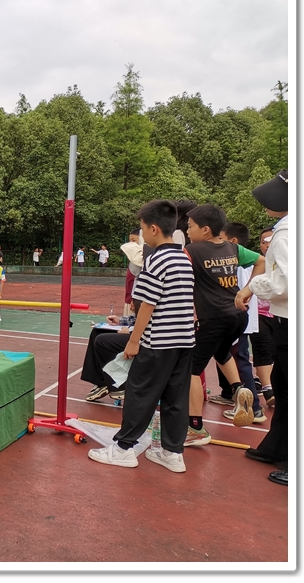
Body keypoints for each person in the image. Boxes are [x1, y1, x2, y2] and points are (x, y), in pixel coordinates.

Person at [87, 200, 195, 472]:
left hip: (157, 341)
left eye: (143, 230)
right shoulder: (183, 257)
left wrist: (134, 341)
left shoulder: (156, 259)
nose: (143, 235)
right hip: (184, 340)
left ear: (154, 229)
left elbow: (148, 304)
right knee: (175, 398)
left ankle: (124, 448)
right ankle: (172, 453)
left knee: (140, 393)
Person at [181, 204, 264, 446]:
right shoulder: (232, 247)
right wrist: (248, 290)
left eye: (190, 227)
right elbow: (261, 261)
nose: (187, 231)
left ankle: (195, 427)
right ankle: (239, 390)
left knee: (191, 369)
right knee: (221, 351)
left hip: (213, 318)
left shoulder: (191, 251)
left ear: (205, 230)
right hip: (238, 316)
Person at [235, 169, 288, 486]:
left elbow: (286, 282)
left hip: (291, 319)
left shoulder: (286, 233)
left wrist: (252, 287)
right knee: (283, 385)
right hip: (285, 319)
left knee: (292, 389)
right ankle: (276, 447)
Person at [209, 222, 267, 424]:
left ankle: (254, 409)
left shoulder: (238, 263)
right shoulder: (246, 263)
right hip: (240, 318)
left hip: (236, 318)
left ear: (233, 241)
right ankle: (231, 395)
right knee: (229, 357)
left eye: (221, 238)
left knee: (240, 361)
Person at [82, 300, 139, 402]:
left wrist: (132, 333)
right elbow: (138, 318)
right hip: (136, 331)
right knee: (97, 332)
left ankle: (118, 384)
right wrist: (120, 320)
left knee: (102, 341)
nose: (131, 307)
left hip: (145, 338)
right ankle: (101, 382)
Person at [247, 227, 276, 406]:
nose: (268, 245)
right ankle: (268, 389)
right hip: (259, 314)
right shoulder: (256, 264)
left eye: (271, 241)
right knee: (263, 347)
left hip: (280, 314)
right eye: (264, 242)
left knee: (279, 351)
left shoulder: (286, 263)